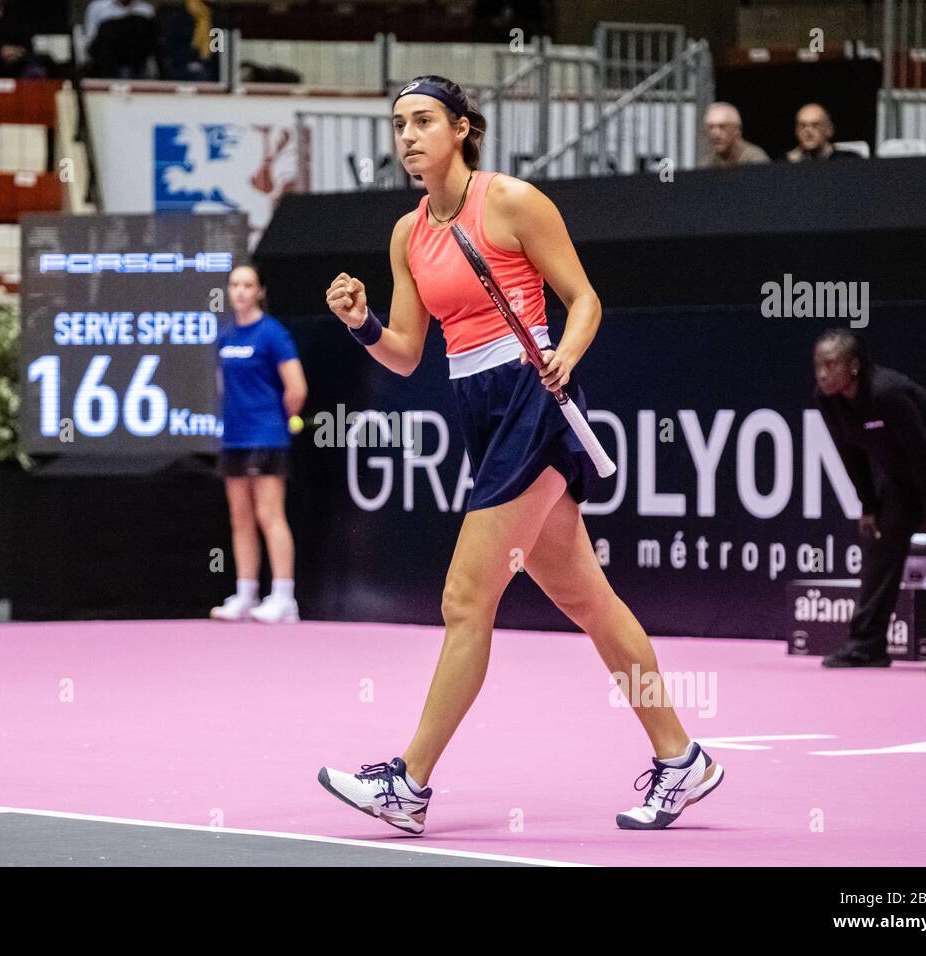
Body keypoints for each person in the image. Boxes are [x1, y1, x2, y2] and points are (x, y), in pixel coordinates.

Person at [316, 75, 725, 834]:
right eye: (398, 123)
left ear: (462, 128)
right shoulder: (408, 234)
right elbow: (407, 355)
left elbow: (586, 299)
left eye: (424, 121)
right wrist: (362, 319)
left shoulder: (512, 201)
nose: (407, 135)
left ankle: (408, 784)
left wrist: (566, 355)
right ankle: (682, 757)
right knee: (588, 601)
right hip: (478, 409)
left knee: (465, 600)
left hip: (534, 402)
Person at [814, 330, 926, 673]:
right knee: (880, 539)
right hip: (907, 474)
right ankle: (867, 646)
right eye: (818, 365)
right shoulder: (828, 399)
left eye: (831, 364)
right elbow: (849, 453)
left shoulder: (887, 391)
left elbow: (921, 451)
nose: (822, 373)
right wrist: (868, 505)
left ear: (853, 366)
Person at [210, 264, 308, 625]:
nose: (240, 291)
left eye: (247, 285)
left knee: (269, 514)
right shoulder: (224, 337)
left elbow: (296, 388)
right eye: (234, 284)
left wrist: (274, 421)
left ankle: (284, 597)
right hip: (233, 438)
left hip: (266, 437)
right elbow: (223, 386)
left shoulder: (273, 334)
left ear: (259, 292)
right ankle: (246, 593)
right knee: (240, 518)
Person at [84, 0, 158, 78]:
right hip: (106, 62)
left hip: (136, 62)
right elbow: (91, 40)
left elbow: (150, 43)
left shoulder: (146, 10)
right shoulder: (97, 7)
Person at [701, 102, 769, 168]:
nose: (715, 134)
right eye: (711, 127)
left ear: (737, 130)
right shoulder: (708, 163)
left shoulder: (755, 160)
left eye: (723, 127)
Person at [787, 103, 857, 162]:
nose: (808, 131)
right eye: (802, 126)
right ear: (796, 131)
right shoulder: (785, 164)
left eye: (815, 125)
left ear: (828, 130)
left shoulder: (849, 161)